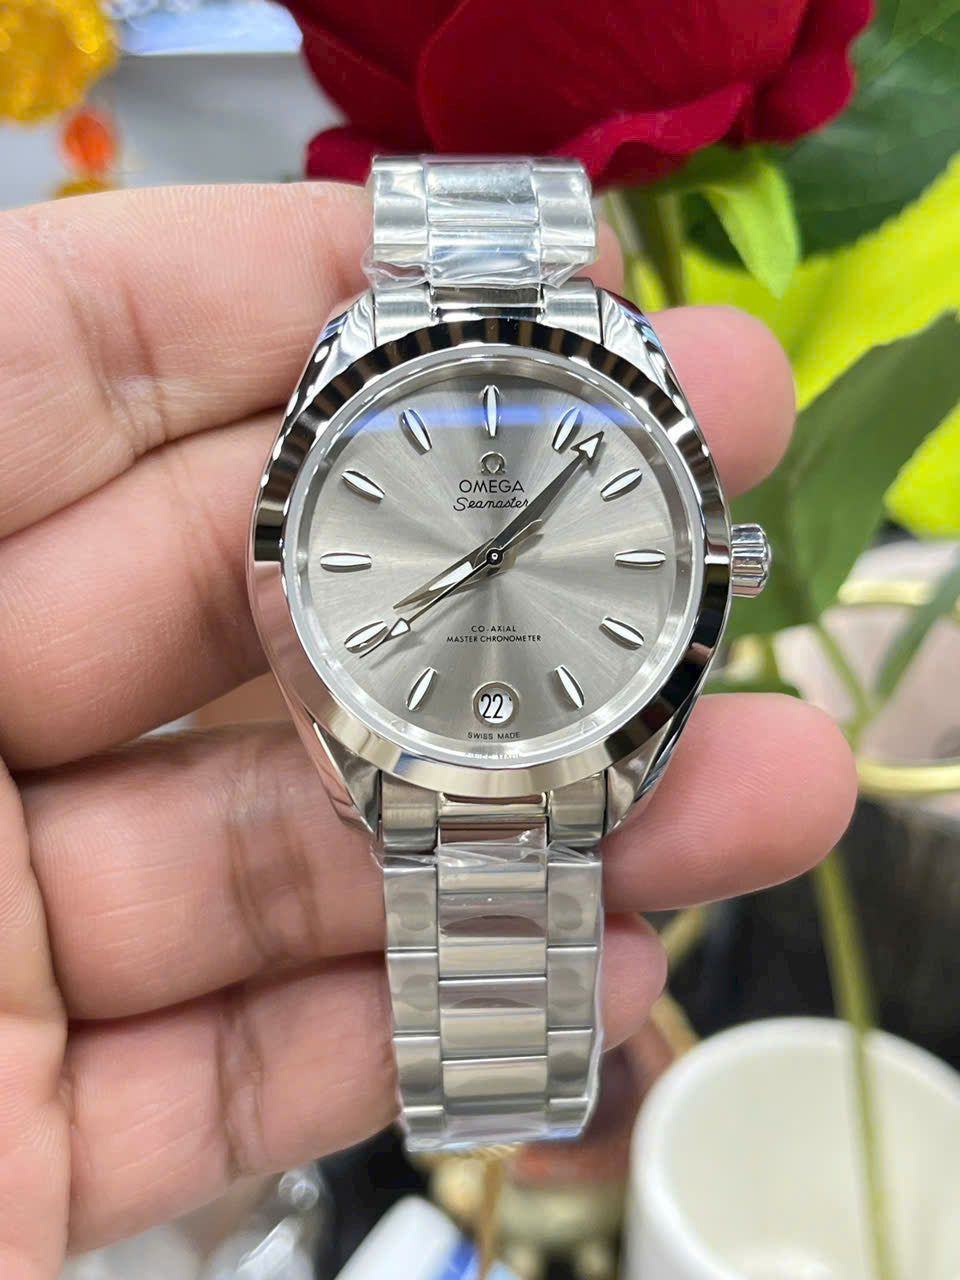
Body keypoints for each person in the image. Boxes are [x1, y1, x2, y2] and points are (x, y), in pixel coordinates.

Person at [0, 183, 857, 1279]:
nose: (493, 566)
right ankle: (493, 1135)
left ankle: (497, 1131)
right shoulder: (355, 431)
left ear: (722, 561)